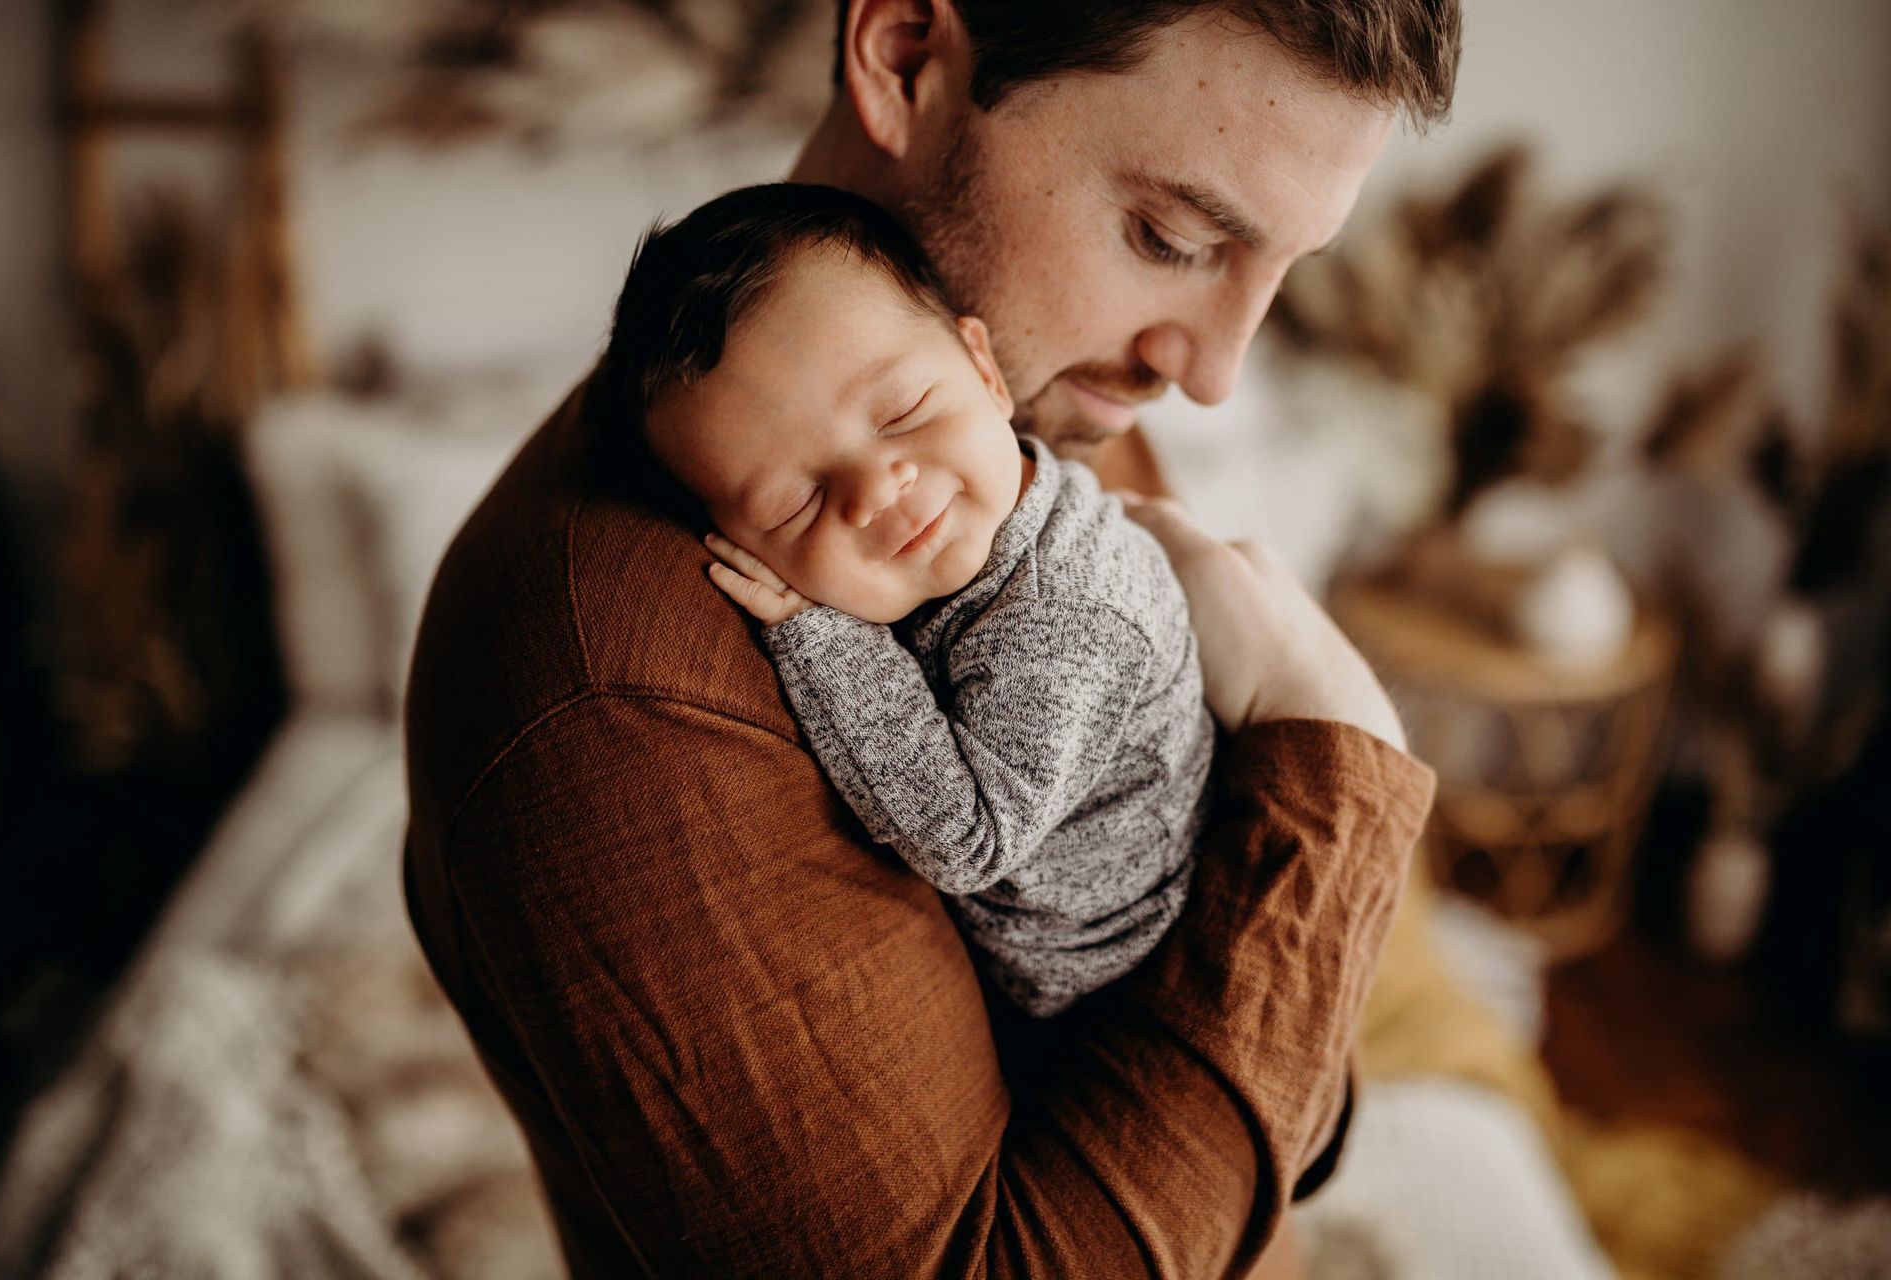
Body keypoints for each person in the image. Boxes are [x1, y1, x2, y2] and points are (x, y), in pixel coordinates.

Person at [402, 2, 1458, 1276]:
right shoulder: (616, 700)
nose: (1215, 369)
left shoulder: (1019, 410)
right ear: (906, 58)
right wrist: (1331, 753)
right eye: (1167, 236)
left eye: (1284, 267)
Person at [609, 182, 1216, 1019]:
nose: (876, 489)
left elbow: (969, 838)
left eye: (903, 410)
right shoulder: (980, 543)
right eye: (796, 504)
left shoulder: (1069, 613)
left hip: (1119, 994)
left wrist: (819, 638)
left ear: (986, 371)